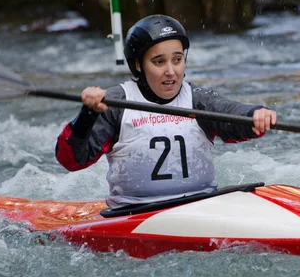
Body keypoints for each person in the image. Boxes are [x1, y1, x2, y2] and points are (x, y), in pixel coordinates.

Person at [55, 14, 277, 209]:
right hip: (134, 212)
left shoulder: (197, 100)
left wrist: (255, 115)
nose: (171, 71)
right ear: (139, 65)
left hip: (202, 204)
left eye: (177, 60)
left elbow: (233, 114)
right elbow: (73, 160)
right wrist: (88, 115)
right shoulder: (115, 104)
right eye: (159, 62)